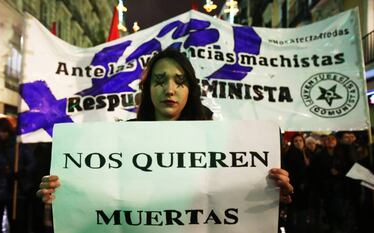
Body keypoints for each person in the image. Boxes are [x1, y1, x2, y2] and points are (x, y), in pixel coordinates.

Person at [37, 49, 294, 205]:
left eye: (179, 82)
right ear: (147, 90)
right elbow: (96, 194)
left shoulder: (219, 140)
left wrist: (268, 194)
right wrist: (62, 193)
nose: (169, 89)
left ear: (190, 89)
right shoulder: (119, 139)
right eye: (160, 81)